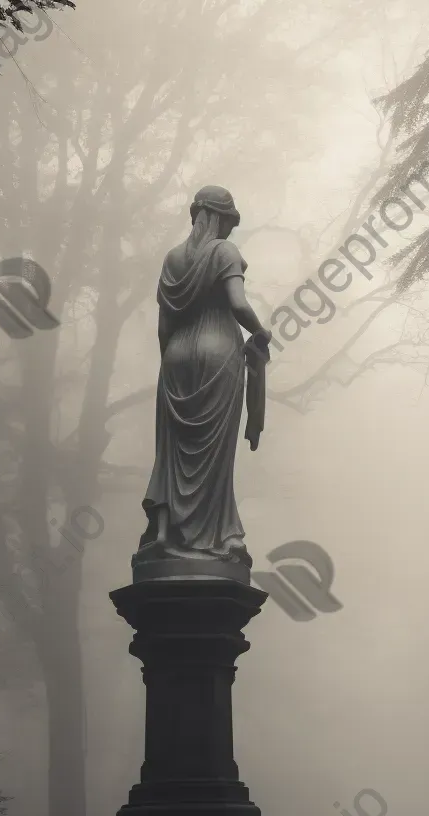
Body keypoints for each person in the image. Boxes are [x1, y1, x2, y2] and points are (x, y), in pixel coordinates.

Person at [134, 185, 272, 574]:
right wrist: (262, 333)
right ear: (220, 217)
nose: (228, 231)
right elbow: (238, 303)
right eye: (228, 222)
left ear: (196, 214)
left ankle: (164, 533)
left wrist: (171, 364)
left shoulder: (173, 258)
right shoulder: (224, 253)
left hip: (176, 356)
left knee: (172, 451)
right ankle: (222, 537)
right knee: (214, 458)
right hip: (218, 353)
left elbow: (164, 326)